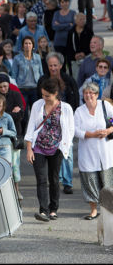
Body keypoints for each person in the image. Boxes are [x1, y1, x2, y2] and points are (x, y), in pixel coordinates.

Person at [25, 78, 75, 222]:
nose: (44, 98)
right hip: (38, 146)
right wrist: (29, 149)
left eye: (47, 96)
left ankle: (53, 209)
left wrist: (65, 146)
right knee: (41, 180)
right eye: (43, 95)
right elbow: (31, 128)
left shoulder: (66, 108)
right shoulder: (37, 105)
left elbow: (70, 130)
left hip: (56, 147)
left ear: (56, 94)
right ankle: (43, 211)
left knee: (54, 179)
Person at [37, 52, 80, 195]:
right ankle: (56, 179)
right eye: (50, 66)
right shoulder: (43, 80)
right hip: (48, 122)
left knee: (66, 148)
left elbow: (75, 98)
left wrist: (72, 116)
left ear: (61, 65)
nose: (53, 68)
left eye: (55, 65)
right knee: (52, 150)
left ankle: (67, 182)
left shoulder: (69, 80)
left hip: (65, 119)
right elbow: (38, 100)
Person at [74, 82, 113, 220]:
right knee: (90, 181)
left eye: (91, 93)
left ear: (97, 95)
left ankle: (108, 209)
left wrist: (108, 130)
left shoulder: (105, 106)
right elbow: (76, 130)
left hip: (105, 151)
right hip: (87, 152)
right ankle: (93, 210)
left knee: (107, 182)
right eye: (86, 93)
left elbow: (112, 120)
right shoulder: (79, 111)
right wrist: (91, 134)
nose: (88, 95)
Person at [0, 73, 25, 199]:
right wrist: (11, 114)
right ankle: (2, 191)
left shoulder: (15, 95)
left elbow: (21, 115)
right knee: (1, 165)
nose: (3, 89)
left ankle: (16, 190)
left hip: (13, 136)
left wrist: (4, 114)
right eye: (0, 87)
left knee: (15, 165)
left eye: (5, 86)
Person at [12, 36, 44, 115]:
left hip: (35, 89)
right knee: (24, 113)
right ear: (22, 46)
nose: (28, 45)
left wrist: (42, 86)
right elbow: (14, 75)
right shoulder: (17, 58)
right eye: (25, 43)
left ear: (33, 45)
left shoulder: (37, 57)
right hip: (22, 89)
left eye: (30, 43)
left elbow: (41, 73)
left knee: (36, 113)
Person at [66, 13, 94, 81]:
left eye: (84, 19)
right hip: (75, 59)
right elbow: (69, 47)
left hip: (87, 57)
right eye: (80, 19)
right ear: (75, 21)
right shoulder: (71, 32)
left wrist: (84, 53)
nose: (83, 21)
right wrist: (74, 55)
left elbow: (92, 45)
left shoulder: (89, 31)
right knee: (76, 79)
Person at [52, 0, 76, 72]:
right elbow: (54, 27)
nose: (64, 3)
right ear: (60, 3)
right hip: (58, 42)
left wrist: (60, 25)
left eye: (66, 1)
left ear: (69, 2)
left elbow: (73, 26)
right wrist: (68, 24)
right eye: (62, 2)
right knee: (60, 64)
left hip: (70, 42)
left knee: (71, 63)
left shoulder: (73, 13)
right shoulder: (56, 13)